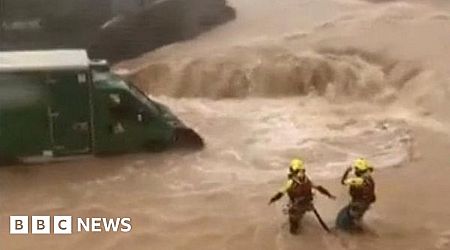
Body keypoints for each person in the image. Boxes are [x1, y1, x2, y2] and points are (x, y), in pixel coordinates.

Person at [269, 158, 336, 234]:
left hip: (296, 205)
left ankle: (295, 234)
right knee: (300, 214)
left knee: (293, 222)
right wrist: (329, 195)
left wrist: (273, 199)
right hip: (308, 204)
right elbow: (319, 188)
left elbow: (281, 193)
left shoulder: (291, 182)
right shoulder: (307, 180)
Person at [338, 157, 376, 230]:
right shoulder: (369, 179)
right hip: (366, 203)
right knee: (358, 217)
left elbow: (343, 181)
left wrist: (347, 172)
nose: (355, 171)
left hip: (358, 205)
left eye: (356, 169)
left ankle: (358, 231)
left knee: (348, 220)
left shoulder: (358, 181)